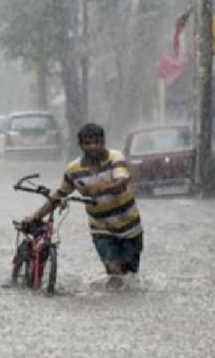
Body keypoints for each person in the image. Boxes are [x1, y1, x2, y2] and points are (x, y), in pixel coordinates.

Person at [26, 123, 142, 290]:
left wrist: (100, 188)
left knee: (130, 275)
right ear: (80, 145)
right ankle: (113, 306)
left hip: (130, 226)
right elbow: (60, 194)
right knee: (114, 271)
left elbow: (122, 182)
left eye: (97, 142)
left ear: (104, 142)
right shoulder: (73, 169)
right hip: (101, 229)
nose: (93, 147)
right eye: (88, 143)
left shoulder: (115, 158)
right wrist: (36, 215)